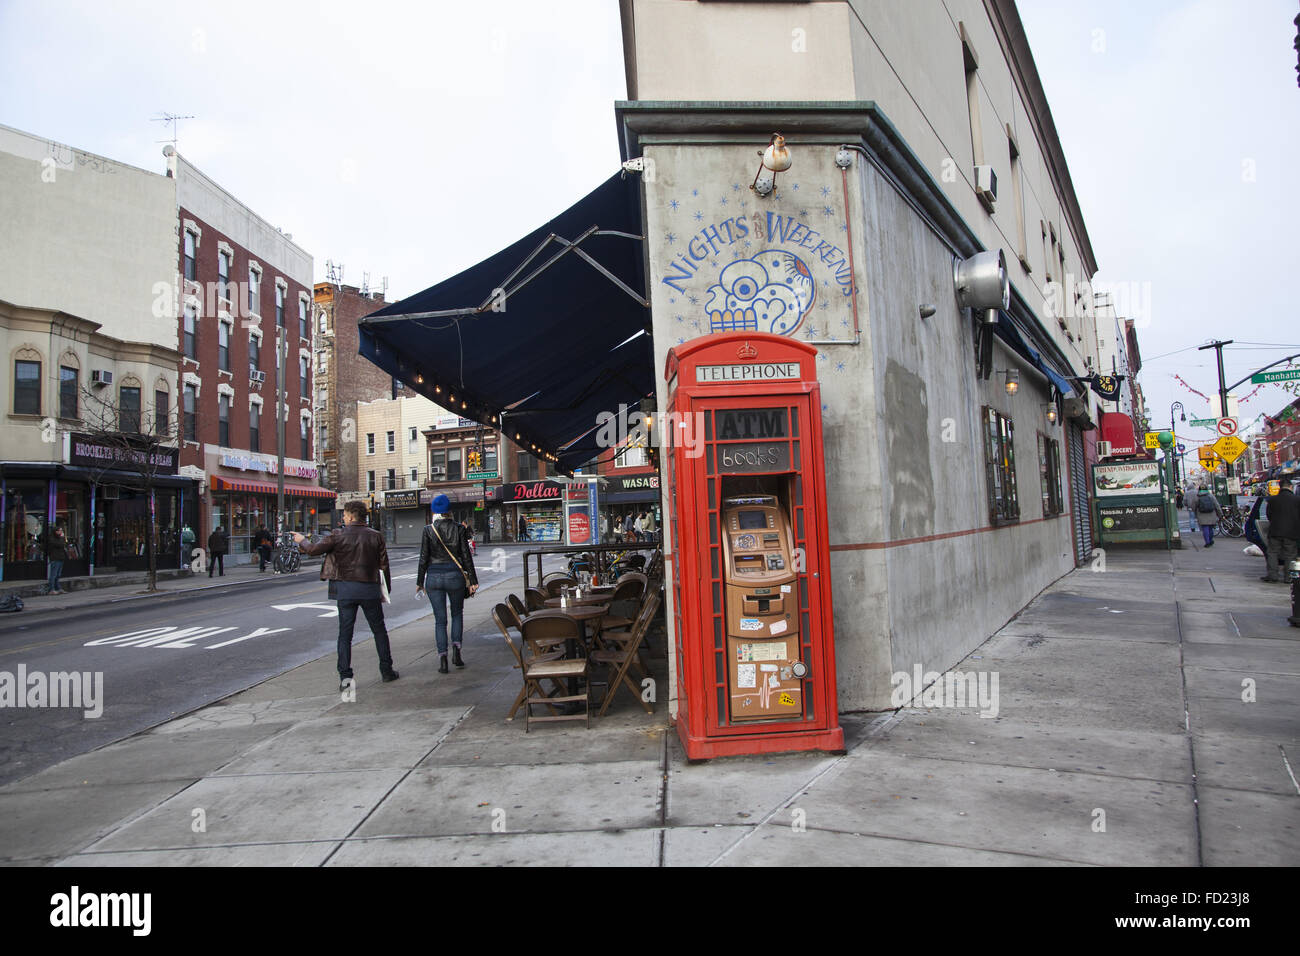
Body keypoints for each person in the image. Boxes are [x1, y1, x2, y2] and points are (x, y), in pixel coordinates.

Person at [293, 501, 398, 690]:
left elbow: (313, 550)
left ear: (350, 516)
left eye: (344, 515)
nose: (343, 517)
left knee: (345, 635)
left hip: (345, 590)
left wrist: (302, 540)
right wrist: (385, 590)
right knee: (379, 631)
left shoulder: (338, 535)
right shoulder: (376, 536)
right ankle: (387, 670)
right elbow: (384, 566)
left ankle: (345, 678)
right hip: (369, 589)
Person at [417, 494, 479, 673]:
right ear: (450, 511)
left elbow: (423, 558)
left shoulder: (428, 530)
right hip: (455, 576)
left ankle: (442, 659)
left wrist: (420, 581)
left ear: (435, 512)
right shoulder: (459, 528)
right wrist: (473, 581)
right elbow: (466, 556)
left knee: (440, 620)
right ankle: (457, 653)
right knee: (457, 614)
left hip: (434, 577)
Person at [1264, 479, 1299, 584]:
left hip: (1275, 531)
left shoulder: (1273, 500)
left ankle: (1272, 576)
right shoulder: (1297, 500)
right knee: (1290, 555)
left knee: (1272, 553)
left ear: (1280, 487)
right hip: (1291, 532)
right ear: (1290, 487)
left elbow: (1268, 515)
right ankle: (1288, 577)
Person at [45, 525, 69, 594]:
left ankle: (58, 588)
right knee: (53, 574)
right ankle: (51, 589)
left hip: (61, 557)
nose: (61, 532)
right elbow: (60, 544)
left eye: (61, 530)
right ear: (56, 531)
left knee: (58, 574)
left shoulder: (59, 538)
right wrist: (62, 538)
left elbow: (64, 544)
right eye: (60, 531)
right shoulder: (52, 539)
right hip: (55, 558)